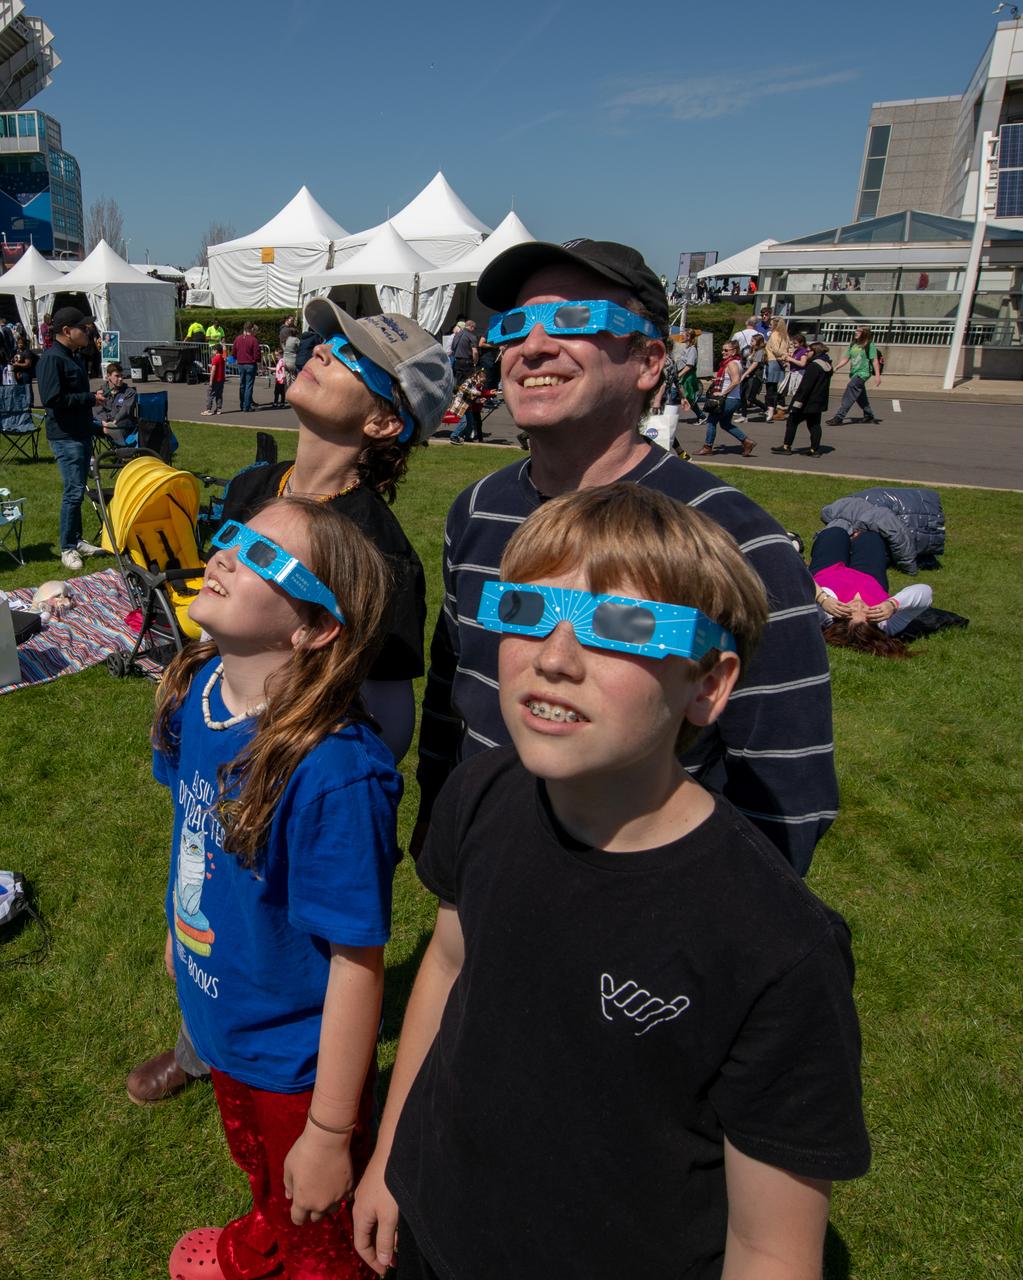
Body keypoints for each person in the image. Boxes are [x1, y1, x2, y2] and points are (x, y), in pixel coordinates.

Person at [353, 483, 871, 1280]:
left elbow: (771, 1247)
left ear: (707, 683)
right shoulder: (481, 794)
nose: (555, 658)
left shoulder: (774, 946)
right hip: (431, 1225)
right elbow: (449, 964)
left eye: (623, 627)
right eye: (525, 611)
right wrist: (391, 1152)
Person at [413, 238, 839, 877]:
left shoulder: (734, 539)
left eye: (577, 321)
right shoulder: (476, 509)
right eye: (514, 326)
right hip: (486, 871)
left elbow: (785, 785)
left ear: (648, 362)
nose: (532, 347)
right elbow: (456, 698)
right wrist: (443, 845)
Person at [125, 304, 452, 1106]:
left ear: (383, 421)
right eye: (330, 341)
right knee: (202, 901)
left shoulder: (376, 555)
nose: (322, 353)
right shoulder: (252, 485)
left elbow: (388, 714)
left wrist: (292, 769)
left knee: (261, 927)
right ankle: (199, 1042)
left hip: (283, 779)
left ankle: (276, 1077)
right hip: (215, 733)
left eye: (354, 360)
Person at [157, 497, 401, 1280]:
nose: (225, 553)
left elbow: (358, 960)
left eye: (264, 556)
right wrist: (179, 929)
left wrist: (331, 1132)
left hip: (297, 1060)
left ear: (314, 627)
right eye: (232, 537)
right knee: (260, 1168)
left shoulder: (333, 771)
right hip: (223, 1021)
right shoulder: (196, 695)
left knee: (320, 1228)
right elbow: (193, 833)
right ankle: (263, 1237)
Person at [36, 306, 107, 572]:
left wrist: (92, 422)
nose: (88, 330)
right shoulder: (52, 359)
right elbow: (52, 399)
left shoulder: (74, 356)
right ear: (67, 331)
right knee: (73, 492)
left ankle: (76, 540)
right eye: (83, 327)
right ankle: (67, 547)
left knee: (78, 490)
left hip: (80, 431)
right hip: (65, 436)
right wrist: (90, 398)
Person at [810, 522, 932, 656]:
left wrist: (822, 599)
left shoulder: (825, 614)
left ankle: (846, 529)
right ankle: (858, 532)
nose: (859, 605)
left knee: (835, 532)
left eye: (850, 612)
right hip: (870, 576)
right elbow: (925, 592)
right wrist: (893, 604)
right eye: (867, 614)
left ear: (840, 620)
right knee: (871, 537)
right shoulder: (885, 623)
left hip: (828, 569)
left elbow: (797, 577)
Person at [696, 339, 756, 457]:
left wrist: (723, 394)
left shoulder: (732, 364)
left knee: (712, 420)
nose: (723, 352)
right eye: (722, 350)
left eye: (726, 350)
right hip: (733, 399)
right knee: (725, 423)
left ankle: (708, 447)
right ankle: (747, 442)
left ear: (733, 351)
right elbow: (730, 380)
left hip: (730, 399)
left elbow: (736, 381)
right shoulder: (732, 363)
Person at [772, 342, 833, 457]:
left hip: (807, 401)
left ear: (814, 352)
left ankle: (786, 446)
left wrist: (796, 402)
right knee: (814, 424)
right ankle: (814, 449)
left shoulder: (814, 366)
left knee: (792, 421)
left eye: (809, 351)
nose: (806, 352)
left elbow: (805, 387)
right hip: (818, 400)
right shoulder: (827, 365)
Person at [827, 325, 881, 425]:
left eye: (858, 331)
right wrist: (836, 367)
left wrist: (878, 376)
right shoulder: (853, 344)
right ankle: (869, 415)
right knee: (860, 395)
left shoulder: (870, 345)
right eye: (856, 330)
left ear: (864, 333)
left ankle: (839, 417)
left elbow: (875, 361)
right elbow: (846, 358)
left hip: (863, 373)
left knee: (851, 389)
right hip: (854, 373)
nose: (855, 332)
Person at [95, 362, 138, 444]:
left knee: (119, 426)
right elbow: (97, 409)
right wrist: (104, 422)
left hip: (122, 422)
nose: (121, 379)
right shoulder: (101, 391)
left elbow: (125, 410)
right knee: (87, 424)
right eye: (117, 376)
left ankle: (123, 453)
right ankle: (90, 456)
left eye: (122, 376)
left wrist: (113, 423)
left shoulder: (129, 392)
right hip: (105, 423)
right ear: (108, 376)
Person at [675, 327, 706, 424]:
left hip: (687, 377)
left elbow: (689, 365)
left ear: (688, 337)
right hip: (684, 375)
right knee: (686, 397)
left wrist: (679, 374)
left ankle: (701, 416)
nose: (681, 337)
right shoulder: (687, 348)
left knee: (688, 397)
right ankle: (701, 415)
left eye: (683, 335)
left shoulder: (692, 349)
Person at [764, 316, 790, 421]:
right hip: (780, 362)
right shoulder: (785, 336)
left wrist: (782, 356)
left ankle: (771, 409)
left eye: (771, 324)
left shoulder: (774, 335)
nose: (769, 326)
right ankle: (780, 410)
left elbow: (775, 349)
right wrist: (785, 358)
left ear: (775, 325)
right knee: (779, 388)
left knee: (771, 387)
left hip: (773, 361)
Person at [232, 321, 261, 412]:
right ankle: (247, 406)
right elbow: (257, 355)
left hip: (241, 364)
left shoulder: (238, 339)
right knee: (248, 386)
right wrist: (258, 363)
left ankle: (242, 405)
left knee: (242, 385)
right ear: (251, 329)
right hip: (250, 364)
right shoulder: (253, 340)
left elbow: (233, 352)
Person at [201, 343, 226, 416]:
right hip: (221, 379)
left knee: (210, 394)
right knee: (219, 394)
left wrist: (211, 380)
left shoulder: (215, 359)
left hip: (215, 379)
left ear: (216, 351)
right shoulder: (222, 358)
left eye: (213, 350)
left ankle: (208, 409)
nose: (212, 351)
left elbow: (213, 370)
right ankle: (219, 409)